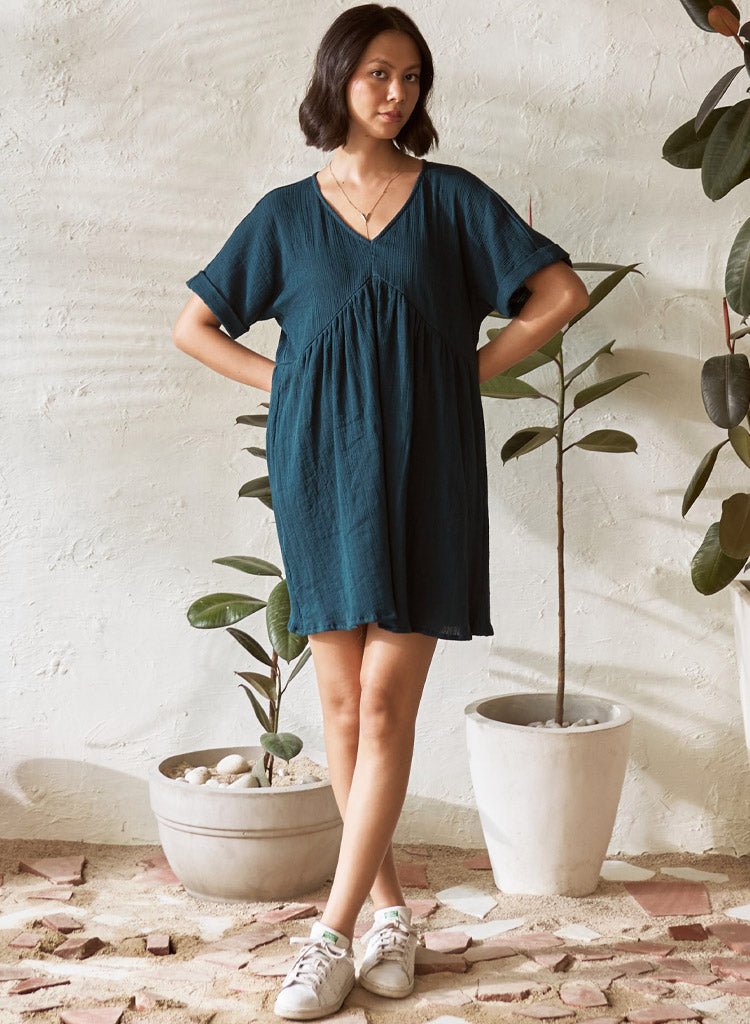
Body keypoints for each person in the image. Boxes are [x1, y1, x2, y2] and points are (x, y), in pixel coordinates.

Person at [173, 4, 589, 1020]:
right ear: (338, 82)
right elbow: (195, 326)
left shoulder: (452, 201)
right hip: (319, 470)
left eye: (410, 75)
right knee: (343, 704)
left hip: (427, 467)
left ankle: (328, 934)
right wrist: (286, 386)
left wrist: (467, 370)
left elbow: (561, 293)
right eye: (376, 74)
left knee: (388, 701)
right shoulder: (283, 215)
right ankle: (390, 914)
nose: (396, 92)